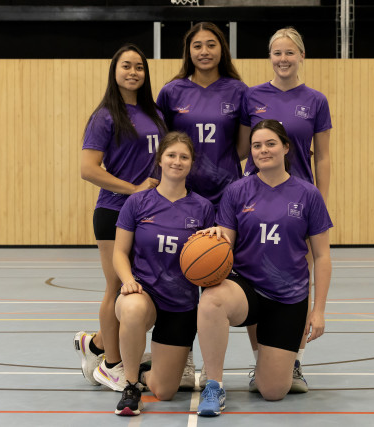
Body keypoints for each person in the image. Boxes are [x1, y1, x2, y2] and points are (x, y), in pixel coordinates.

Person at [195, 120, 333, 417]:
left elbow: (322, 256)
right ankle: (214, 385)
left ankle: (266, 370)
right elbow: (226, 242)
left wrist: (318, 310)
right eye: (256, 145)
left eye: (270, 144)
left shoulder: (308, 194)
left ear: (286, 147)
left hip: (287, 297)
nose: (263, 150)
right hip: (246, 288)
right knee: (211, 300)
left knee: (272, 392)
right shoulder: (237, 191)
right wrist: (213, 238)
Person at [239, 27, 333, 393]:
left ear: (302, 56)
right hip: (257, 200)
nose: (283, 59)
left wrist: (321, 198)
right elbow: (242, 150)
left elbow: (322, 156)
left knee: (298, 276)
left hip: (299, 201)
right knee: (254, 274)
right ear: (270, 57)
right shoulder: (252, 96)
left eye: (290, 52)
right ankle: (260, 359)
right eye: (277, 53)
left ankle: (294, 360)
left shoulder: (316, 100)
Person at [156, 21, 249, 387]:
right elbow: (166, 145)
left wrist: (220, 170)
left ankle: (217, 365)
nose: (205, 51)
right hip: (183, 198)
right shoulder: (172, 91)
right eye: (198, 45)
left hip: (226, 198)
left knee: (218, 279)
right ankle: (183, 357)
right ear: (188, 51)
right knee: (179, 281)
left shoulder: (238, 91)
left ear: (222, 49)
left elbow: (242, 147)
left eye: (211, 44)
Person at [74, 43, 167, 392]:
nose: (133, 72)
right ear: (114, 72)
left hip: (150, 215)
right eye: (126, 66)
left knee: (144, 288)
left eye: (139, 67)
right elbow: (88, 169)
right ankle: (111, 364)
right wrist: (133, 190)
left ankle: (96, 343)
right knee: (117, 287)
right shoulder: (105, 116)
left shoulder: (155, 113)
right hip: (114, 211)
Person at [112, 131, 215, 415]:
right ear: (160, 159)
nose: (177, 162)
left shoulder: (203, 208)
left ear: (191, 163)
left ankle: (146, 369)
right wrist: (128, 281)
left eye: (184, 157)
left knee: (165, 391)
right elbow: (119, 252)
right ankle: (130, 385)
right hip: (143, 291)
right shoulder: (138, 202)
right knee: (132, 308)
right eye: (171, 155)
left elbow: (209, 259)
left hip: (180, 303)